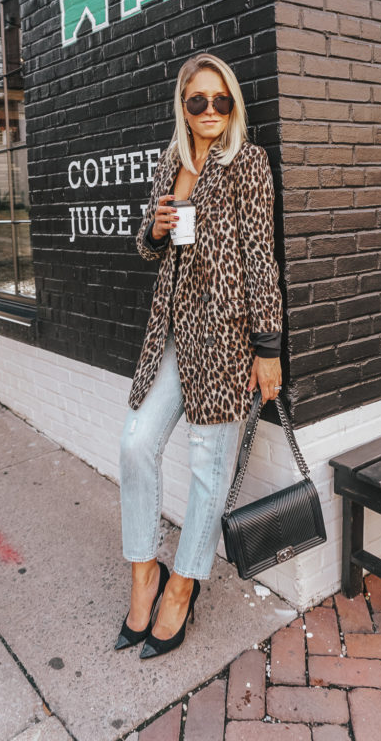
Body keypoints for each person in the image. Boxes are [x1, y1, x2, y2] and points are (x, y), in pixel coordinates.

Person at [116, 52, 283, 659]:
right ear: (182, 108)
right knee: (136, 445)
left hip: (225, 339)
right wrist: (156, 230)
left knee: (209, 468)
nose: (211, 111)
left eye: (222, 100)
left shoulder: (249, 164)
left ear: (233, 105)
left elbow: (261, 259)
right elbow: (151, 246)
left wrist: (267, 349)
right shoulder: (172, 162)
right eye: (198, 102)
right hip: (172, 334)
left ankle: (182, 586)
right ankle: (144, 573)